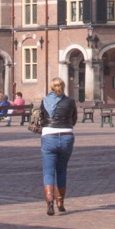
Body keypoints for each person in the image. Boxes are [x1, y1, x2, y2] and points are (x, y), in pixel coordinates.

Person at [38, 78, 78, 216]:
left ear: (51, 87)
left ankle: (49, 201)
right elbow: (74, 119)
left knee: (48, 172)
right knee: (61, 170)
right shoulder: (70, 101)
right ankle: (60, 202)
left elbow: (41, 119)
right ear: (63, 86)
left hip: (49, 136)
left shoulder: (45, 101)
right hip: (66, 136)